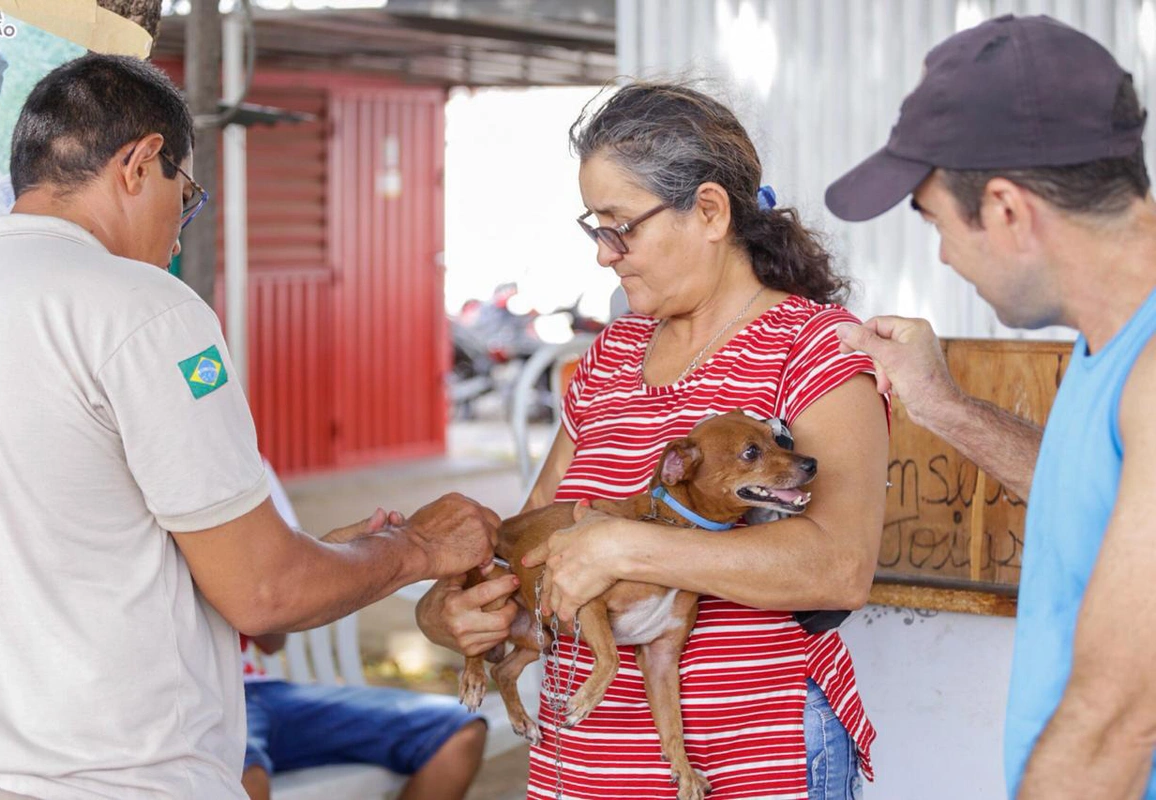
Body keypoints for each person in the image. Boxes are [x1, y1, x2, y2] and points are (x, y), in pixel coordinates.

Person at [0, 54, 497, 800]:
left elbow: (76, 551)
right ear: (142, 162)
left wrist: (308, 554)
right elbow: (266, 594)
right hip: (130, 778)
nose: (179, 237)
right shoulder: (143, 307)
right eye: (188, 196)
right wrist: (418, 548)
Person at [418, 82, 889, 800]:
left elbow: (841, 565)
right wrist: (449, 613)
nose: (606, 255)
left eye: (621, 226)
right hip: (588, 768)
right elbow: (533, 543)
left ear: (708, 210)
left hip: (753, 766)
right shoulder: (610, 357)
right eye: (595, 228)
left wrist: (628, 545)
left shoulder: (816, 349)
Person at [824, 14, 1156, 800]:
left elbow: (1116, 720)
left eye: (937, 222)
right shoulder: (1116, 343)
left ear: (1005, 208)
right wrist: (940, 405)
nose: (942, 254)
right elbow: (1106, 510)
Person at [238, 465, 487, 800]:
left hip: (262, 691)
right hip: (198, 703)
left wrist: (334, 562)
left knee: (458, 732)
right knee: (238, 779)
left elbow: (272, 637)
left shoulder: (253, 466)